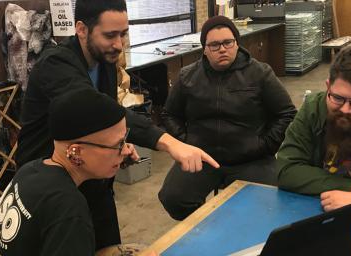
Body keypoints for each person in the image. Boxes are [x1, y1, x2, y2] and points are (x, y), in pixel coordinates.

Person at [15, 0, 219, 253]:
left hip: (93, 175)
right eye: (110, 35)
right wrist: (169, 142)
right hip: (52, 185)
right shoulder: (55, 65)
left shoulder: (106, 63)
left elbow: (104, 123)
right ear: (81, 29)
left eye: (123, 34)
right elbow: (97, 110)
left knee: (109, 246)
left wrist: (116, 145)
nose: (118, 44)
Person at [158, 16, 297, 220]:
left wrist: (265, 145)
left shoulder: (260, 73)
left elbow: (286, 113)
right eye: (214, 45)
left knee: (271, 203)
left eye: (227, 42)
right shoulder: (187, 77)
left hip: (251, 158)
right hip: (202, 158)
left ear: (236, 43)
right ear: (204, 49)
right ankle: (204, 228)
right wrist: (187, 143)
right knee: (173, 198)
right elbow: (169, 114)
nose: (222, 49)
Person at [0, 89, 155, 255]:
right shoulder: (68, 210)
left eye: (125, 140)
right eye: (118, 144)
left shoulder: (29, 171)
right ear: (76, 152)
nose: (127, 150)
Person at [277, 42, 351, 224]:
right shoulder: (314, 108)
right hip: (318, 217)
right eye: (337, 98)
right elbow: (287, 170)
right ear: (328, 86)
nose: (345, 109)